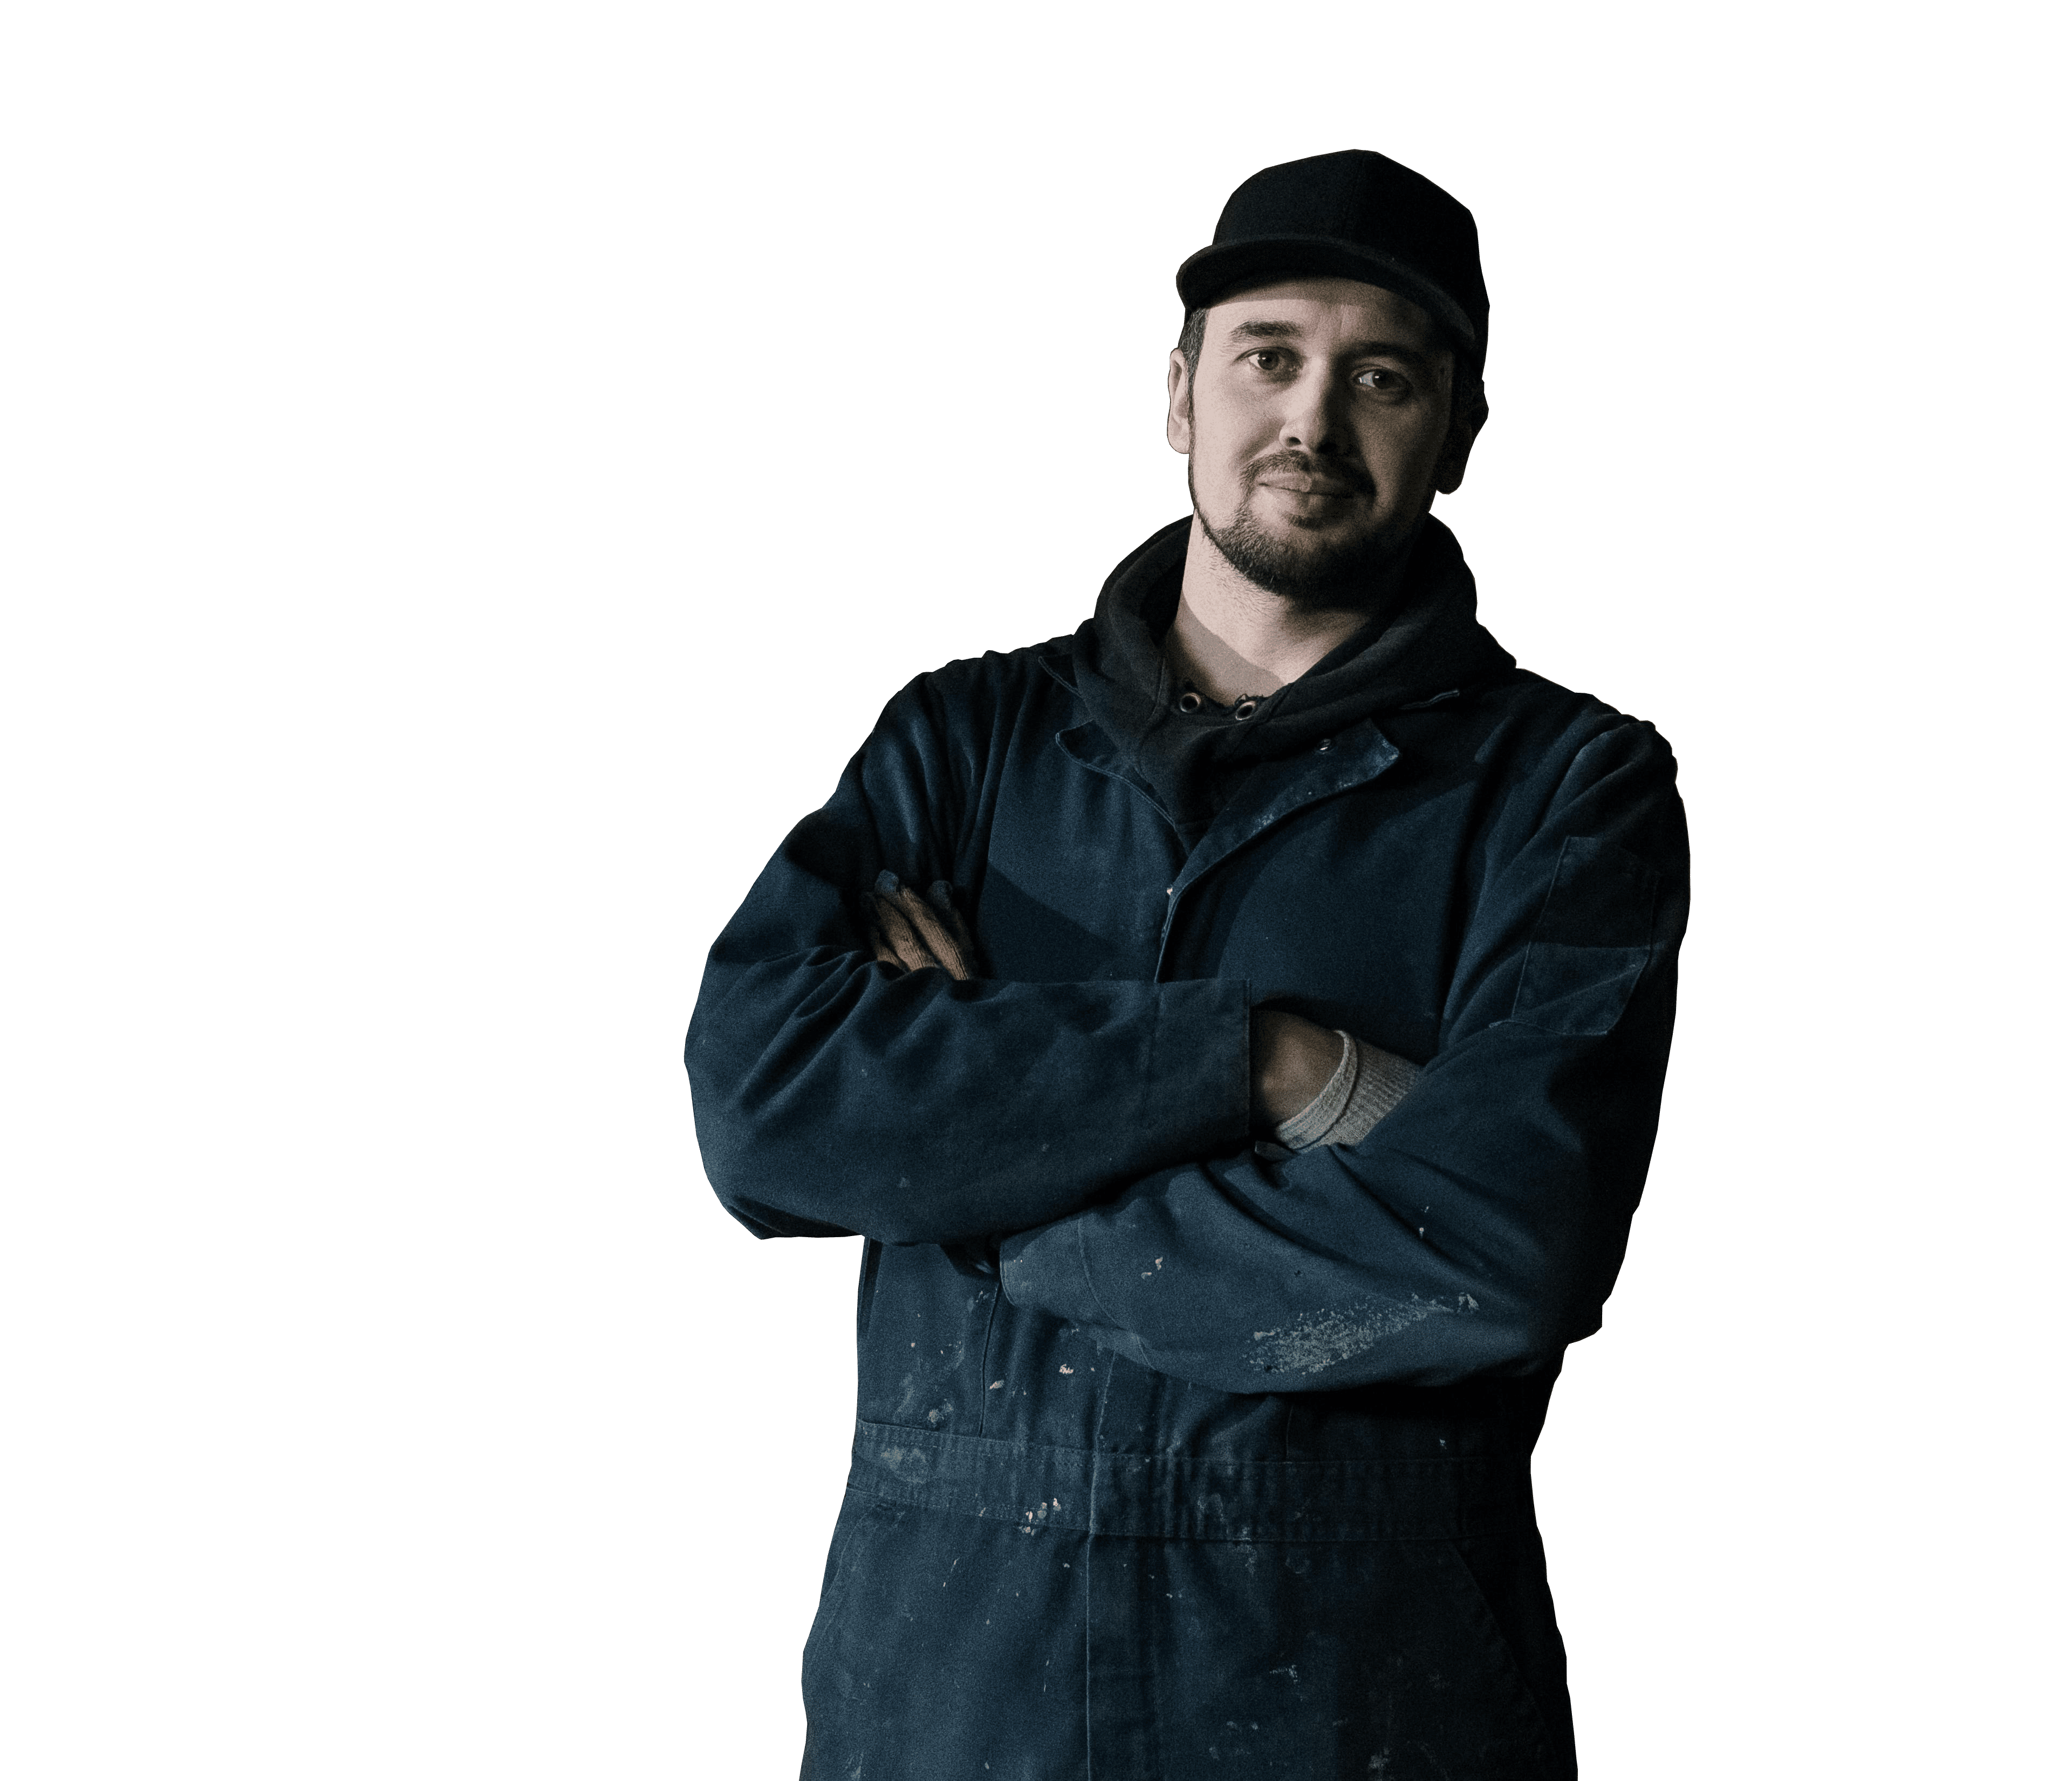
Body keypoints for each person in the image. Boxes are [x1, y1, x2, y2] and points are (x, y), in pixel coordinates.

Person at [686, 148, 1689, 1779]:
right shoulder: (963, 741)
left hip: (1362, 1698)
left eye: (1383, 377)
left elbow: (1498, 1258)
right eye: (1267, 357)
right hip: (951, 1696)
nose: (1313, 419)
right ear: (1179, 395)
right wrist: (1263, 1064)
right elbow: (763, 1112)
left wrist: (972, 1183)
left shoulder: (1569, 790)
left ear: (1460, 436)